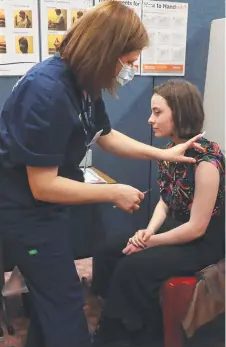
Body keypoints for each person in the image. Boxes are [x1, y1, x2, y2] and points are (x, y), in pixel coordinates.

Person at [0, 2, 203, 347]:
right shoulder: (47, 91)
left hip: (44, 211)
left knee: (53, 299)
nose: (130, 70)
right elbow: (43, 185)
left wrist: (162, 153)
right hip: (24, 212)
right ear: (104, 52)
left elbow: (105, 135)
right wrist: (115, 192)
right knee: (64, 300)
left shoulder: (83, 84)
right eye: (127, 62)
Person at [92, 80, 225, 347]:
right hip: (177, 226)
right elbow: (165, 201)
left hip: (203, 240)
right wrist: (149, 231)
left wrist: (148, 242)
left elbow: (197, 228)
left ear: (180, 112)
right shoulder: (169, 151)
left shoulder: (207, 163)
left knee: (133, 267)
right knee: (108, 250)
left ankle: (135, 335)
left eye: (157, 112)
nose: (150, 119)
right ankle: (115, 317)